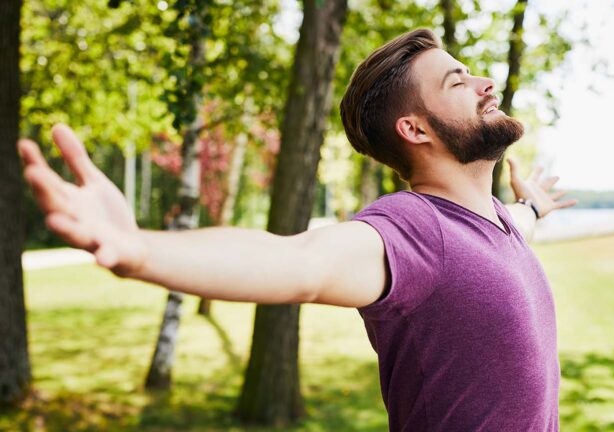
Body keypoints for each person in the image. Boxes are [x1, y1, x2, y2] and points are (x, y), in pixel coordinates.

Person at [19, 29, 577, 431]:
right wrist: (138, 250)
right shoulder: (413, 233)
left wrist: (534, 208)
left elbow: (516, 229)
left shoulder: (500, 222)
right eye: (458, 82)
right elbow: (299, 264)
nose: (485, 83)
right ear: (415, 127)